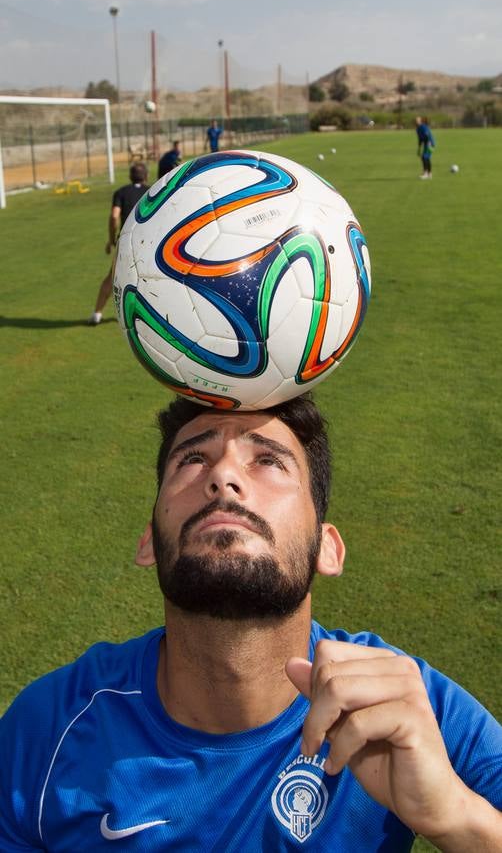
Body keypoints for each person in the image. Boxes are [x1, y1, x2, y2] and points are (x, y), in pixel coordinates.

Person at [1, 394, 501, 851]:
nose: (223, 478)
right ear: (149, 541)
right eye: (193, 459)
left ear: (326, 546)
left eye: (267, 461)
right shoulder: (47, 730)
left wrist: (455, 816)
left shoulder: (405, 706)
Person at [88, 162, 149, 326]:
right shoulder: (152, 192)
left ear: (130, 176)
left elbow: (114, 216)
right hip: (147, 241)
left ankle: (97, 314)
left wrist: (111, 239)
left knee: (112, 277)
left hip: (126, 241)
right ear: (146, 176)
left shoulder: (121, 193)